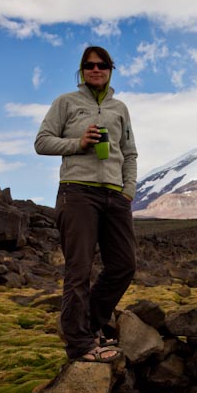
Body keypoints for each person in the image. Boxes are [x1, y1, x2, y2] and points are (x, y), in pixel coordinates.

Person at [35, 46, 138, 363]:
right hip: (77, 193)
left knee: (123, 265)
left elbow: (130, 152)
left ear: (110, 69)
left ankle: (90, 325)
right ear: (82, 70)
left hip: (114, 196)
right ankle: (80, 344)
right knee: (78, 271)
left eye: (103, 65)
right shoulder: (66, 103)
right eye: (90, 65)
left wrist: (128, 191)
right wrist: (78, 144)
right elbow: (42, 142)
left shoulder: (119, 108)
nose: (96, 69)